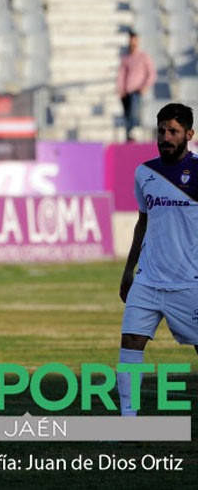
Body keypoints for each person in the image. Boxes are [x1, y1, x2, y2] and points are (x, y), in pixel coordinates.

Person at [116, 102, 198, 416]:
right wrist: (128, 269)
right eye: (161, 130)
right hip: (148, 278)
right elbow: (143, 221)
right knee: (130, 344)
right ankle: (128, 420)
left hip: (189, 282)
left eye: (173, 131)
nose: (165, 137)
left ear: (189, 134)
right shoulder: (144, 172)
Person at [117, 31, 156, 142]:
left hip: (137, 91)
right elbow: (121, 75)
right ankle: (128, 136)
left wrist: (145, 86)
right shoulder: (126, 58)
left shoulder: (144, 57)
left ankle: (133, 134)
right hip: (126, 92)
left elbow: (151, 73)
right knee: (127, 115)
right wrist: (120, 89)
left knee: (134, 114)